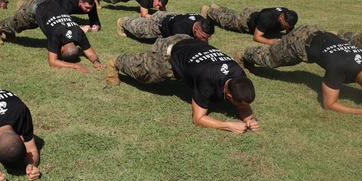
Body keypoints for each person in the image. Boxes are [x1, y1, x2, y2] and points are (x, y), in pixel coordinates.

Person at [107, 36, 259, 133]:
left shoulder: (239, 75)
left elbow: (243, 104)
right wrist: (228, 125)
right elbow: (198, 119)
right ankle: (117, 61)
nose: (244, 107)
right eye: (239, 104)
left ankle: (147, 56)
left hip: (192, 43)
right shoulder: (207, 79)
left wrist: (250, 120)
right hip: (173, 49)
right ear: (229, 95)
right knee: (144, 74)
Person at [237, 25, 362, 118]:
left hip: (319, 32)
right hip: (301, 41)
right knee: (270, 59)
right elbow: (329, 104)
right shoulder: (339, 68)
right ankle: (244, 55)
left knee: (273, 57)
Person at [0, 0, 104, 73]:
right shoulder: (56, 35)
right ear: (62, 48)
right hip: (37, 7)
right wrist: (75, 66)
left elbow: (90, 53)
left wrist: (96, 62)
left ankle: (24, 4)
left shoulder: (78, 32)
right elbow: (52, 62)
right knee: (17, 24)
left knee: (25, 25)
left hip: (52, 3)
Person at [201, 5, 297, 45]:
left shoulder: (289, 17)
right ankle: (208, 10)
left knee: (234, 15)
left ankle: (217, 8)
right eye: (285, 26)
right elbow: (257, 37)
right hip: (246, 21)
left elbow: (289, 31)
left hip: (257, 14)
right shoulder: (267, 18)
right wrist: (272, 42)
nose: (286, 28)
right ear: (281, 18)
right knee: (227, 21)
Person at [116, 11, 213, 43]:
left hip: (172, 15)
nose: (205, 40)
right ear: (196, 29)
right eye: (203, 37)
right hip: (159, 23)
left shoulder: (202, 21)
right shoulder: (179, 29)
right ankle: (123, 22)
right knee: (138, 29)